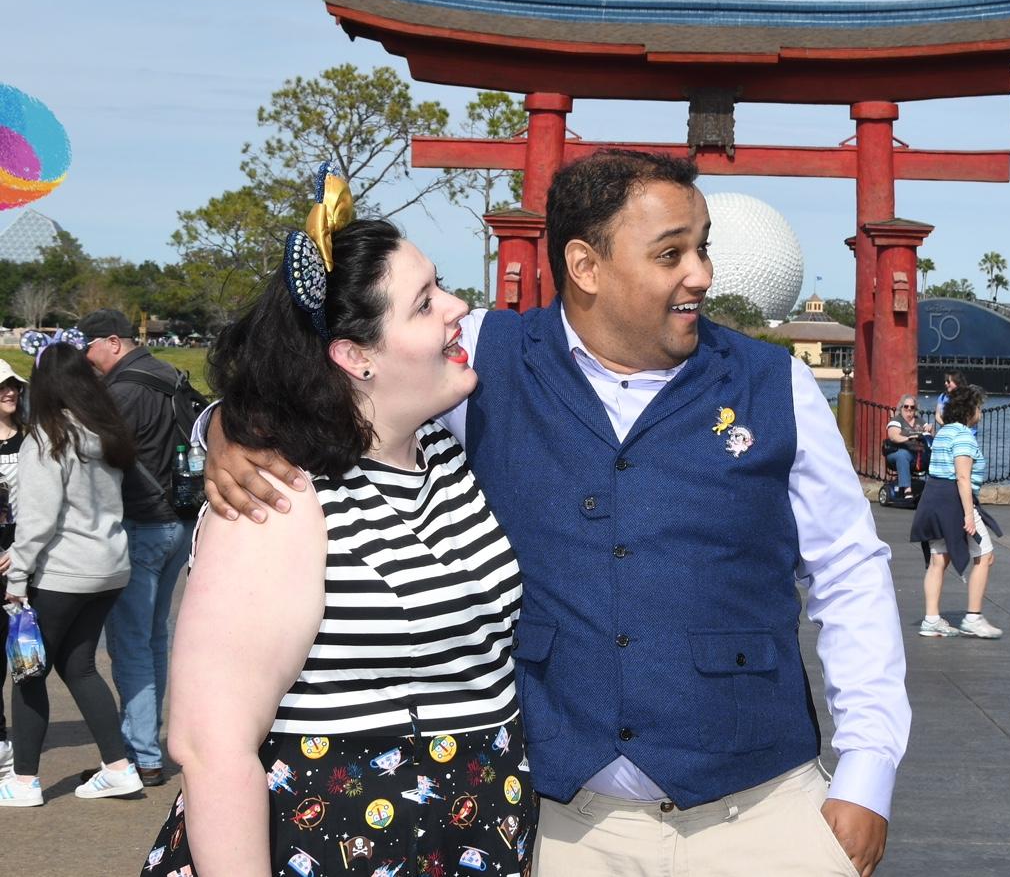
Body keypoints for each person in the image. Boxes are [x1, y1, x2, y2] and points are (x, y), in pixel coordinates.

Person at [207, 151, 909, 877]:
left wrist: (868, 769)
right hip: (556, 826)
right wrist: (230, 426)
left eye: (703, 248)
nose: (701, 274)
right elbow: (336, 373)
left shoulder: (776, 384)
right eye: (671, 253)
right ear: (585, 265)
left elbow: (849, 573)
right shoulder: (477, 362)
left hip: (762, 813)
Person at [143, 177, 533, 874]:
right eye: (425, 303)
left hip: (468, 839)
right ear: (356, 356)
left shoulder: (441, 450)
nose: (458, 309)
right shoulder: (279, 494)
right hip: (328, 845)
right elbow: (211, 744)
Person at [0, 334, 139, 807]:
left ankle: (23, 781)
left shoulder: (48, 437)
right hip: (110, 567)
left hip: (63, 572)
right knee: (79, 667)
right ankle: (118, 768)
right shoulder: (106, 432)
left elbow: (38, 520)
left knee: (28, 672)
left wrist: (17, 577)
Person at [79, 308, 193, 787]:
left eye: (88, 347)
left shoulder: (122, 391)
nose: (87, 358)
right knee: (154, 637)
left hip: (141, 524)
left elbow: (96, 459)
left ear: (112, 342)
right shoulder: (170, 376)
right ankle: (147, 745)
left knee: (130, 642)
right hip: (180, 521)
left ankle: (140, 754)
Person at [910, 382, 1003, 639]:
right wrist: (968, 514)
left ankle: (931, 619)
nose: (981, 412)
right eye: (979, 407)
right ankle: (973, 617)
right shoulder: (963, 435)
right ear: (970, 409)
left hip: (933, 498)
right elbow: (962, 477)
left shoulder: (943, 432)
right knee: (985, 555)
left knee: (938, 560)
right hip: (954, 501)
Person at [0, 356, 29, 774]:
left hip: (21, 562)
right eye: (2, 386)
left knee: (26, 659)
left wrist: (22, 554)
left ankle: (23, 745)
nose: (10, 391)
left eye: (15, 386)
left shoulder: (32, 440)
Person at [883, 393, 932, 501]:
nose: (909, 409)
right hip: (897, 451)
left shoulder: (920, 421)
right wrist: (909, 439)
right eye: (906, 406)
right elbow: (893, 436)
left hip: (917, 453)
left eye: (912, 407)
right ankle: (907, 490)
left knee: (931, 455)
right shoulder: (897, 420)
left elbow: (928, 436)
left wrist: (929, 429)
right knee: (903, 455)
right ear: (901, 407)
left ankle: (933, 488)